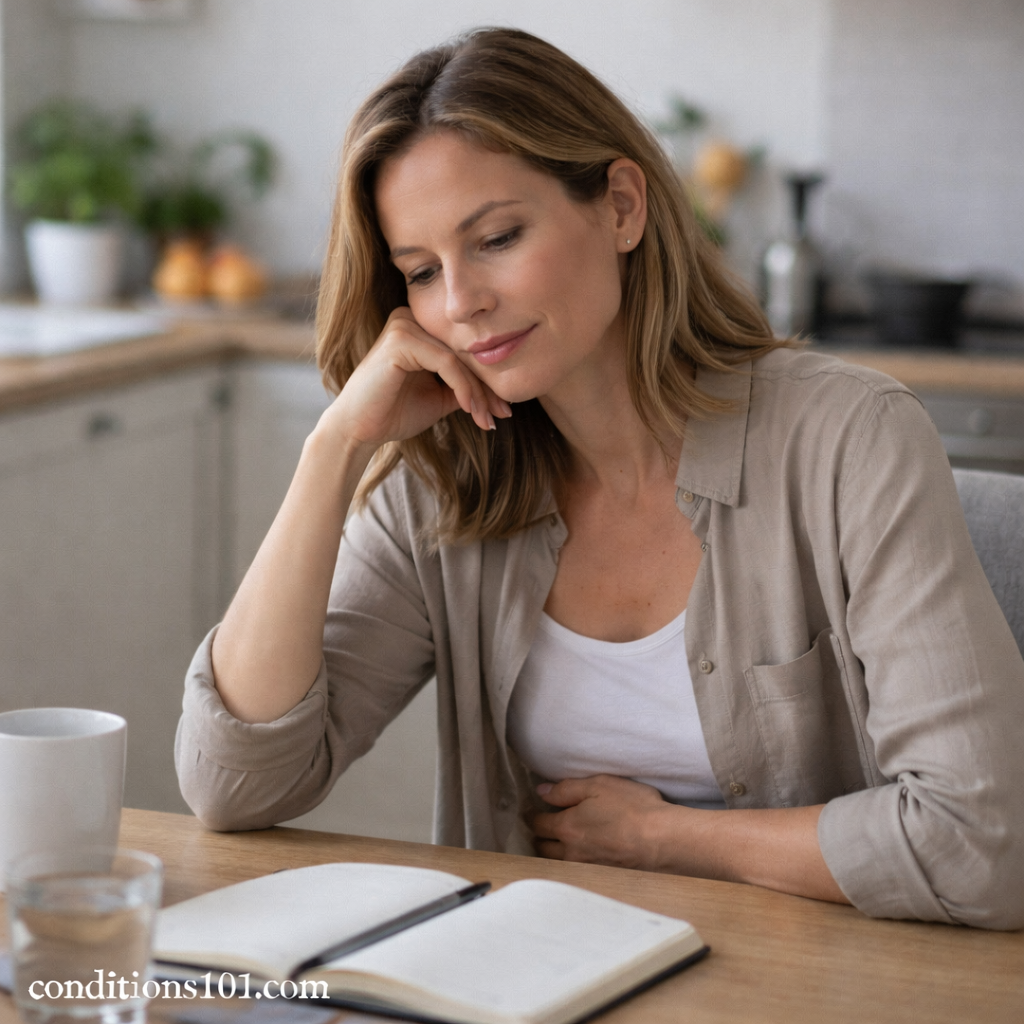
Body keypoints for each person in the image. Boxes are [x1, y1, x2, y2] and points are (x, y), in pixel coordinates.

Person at [176, 27, 1024, 929]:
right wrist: (333, 450)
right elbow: (235, 785)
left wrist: (670, 840)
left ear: (622, 205)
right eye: (421, 272)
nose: (460, 303)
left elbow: (984, 843)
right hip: (537, 979)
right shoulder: (444, 484)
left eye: (497, 237)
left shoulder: (850, 441)